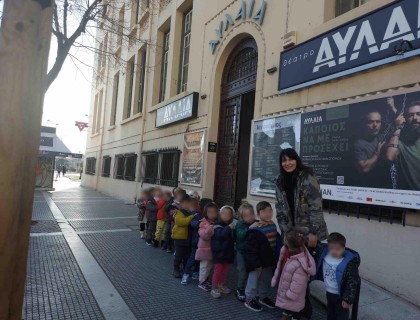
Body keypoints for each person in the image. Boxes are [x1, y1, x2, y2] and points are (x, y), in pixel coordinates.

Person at [275, 148, 328, 319]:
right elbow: (280, 209)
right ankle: (293, 310)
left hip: (307, 235)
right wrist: (284, 232)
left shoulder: (307, 177)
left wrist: (314, 232)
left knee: (302, 277)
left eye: (290, 159)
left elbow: (316, 207)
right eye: (284, 160)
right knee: (291, 274)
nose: (287, 163)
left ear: (297, 160)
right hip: (291, 236)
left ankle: (301, 313)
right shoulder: (280, 181)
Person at [272, 229, 316, 320]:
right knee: (287, 305)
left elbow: (298, 282)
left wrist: (291, 294)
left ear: (288, 242)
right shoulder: (285, 250)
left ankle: (295, 317)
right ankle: (286, 314)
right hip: (285, 284)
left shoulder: (300, 262)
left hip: (294, 293)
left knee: (295, 308)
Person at [314, 233, 361, 320]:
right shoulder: (324, 254)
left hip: (341, 295)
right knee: (331, 313)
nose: (334, 251)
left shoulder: (349, 263)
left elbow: (351, 283)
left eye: (338, 249)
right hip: (329, 292)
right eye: (331, 248)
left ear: (344, 248)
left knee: (342, 316)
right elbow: (315, 244)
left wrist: (347, 299)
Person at [243, 201, 279, 312]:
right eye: (264, 211)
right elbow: (251, 249)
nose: (268, 213)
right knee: (253, 280)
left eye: (270, 211)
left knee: (266, 280)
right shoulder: (255, 229)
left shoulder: (273, 224)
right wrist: (256, 263)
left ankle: (262, 297)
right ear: (258, 214)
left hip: (268, 260)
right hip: (257, 262)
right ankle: (249, 299)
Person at [353, 109, 392, 188]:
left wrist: (392, 107)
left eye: (378, 122)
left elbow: (396, 126)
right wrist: (378, 151)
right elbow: (364, 169)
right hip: (369, 188)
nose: (375, 125)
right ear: (364, 124)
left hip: (387, 187)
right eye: (371, 122)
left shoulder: (381, 137)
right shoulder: (358, 144)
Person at [387, 101, 420, 190]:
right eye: (411, 115)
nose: (415, 118)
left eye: (419, 114)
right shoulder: (403, 143)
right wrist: (397, 128)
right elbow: (390, 156)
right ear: (405, 119)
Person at [210, 205, 235, 299]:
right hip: (219, 253)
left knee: (224, 271)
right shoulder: (217, 225)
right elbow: (221, 235)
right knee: (218, 271)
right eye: (224, 213)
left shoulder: (229, 226)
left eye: (228, 214)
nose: (226, 215)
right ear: (220, 214)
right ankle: (214, 287)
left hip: (228, 253)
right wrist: (229, 228)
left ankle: (220, 285)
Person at [235, 203, 256, 302]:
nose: (249, 217)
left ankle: (248, 288)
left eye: (250, 215)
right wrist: (250, 228)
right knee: (242, 270)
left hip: (250, 252)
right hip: (241, 251)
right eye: (246, 216)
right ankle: (240, 288)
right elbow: (240, 235)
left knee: (250, 271)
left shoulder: (254, 222)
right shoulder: (239, 224)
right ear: (242, 217)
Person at [196, 202, 219, 292]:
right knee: (204, 267)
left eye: (214, 212)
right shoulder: (203, 223)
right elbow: (204, 236)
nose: (212, 214)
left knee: (209, 266)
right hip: (204, 249)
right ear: (206, 213)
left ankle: (206, 280)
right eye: (209, 212)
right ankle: (201, 282)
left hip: (212, 249)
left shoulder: (216, 222)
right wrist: (210, 228)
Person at [172, 194, 195, 278]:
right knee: (178, 255)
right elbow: (181, 222)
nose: (187, 205)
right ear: (181, 204)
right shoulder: (178, 212)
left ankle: (186, 269)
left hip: (188, 238)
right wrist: (191, 217)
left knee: (187, 256)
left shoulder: (191, 212)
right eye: (185, 203)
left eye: (188, 203)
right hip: (180, 238)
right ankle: (176, 269)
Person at [181, 197, 203, 285]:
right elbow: (192, 223)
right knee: (193, 258)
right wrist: (199, 224)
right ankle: (186, 274)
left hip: (198, 240)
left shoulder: (199, 213)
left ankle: (195, 272)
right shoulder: (195, 214)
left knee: (198, 258)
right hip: (195, 240)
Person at [164, 188, 185, 253]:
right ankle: (168, 245)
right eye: (175, 193)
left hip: (177, 220)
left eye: (177, 193)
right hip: (170, 219)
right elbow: (166, 208)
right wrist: (171, 204)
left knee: (175, 234)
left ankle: (173, 247)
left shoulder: (184, 200)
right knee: (167, 232)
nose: (176, 195)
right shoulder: (172, 199)